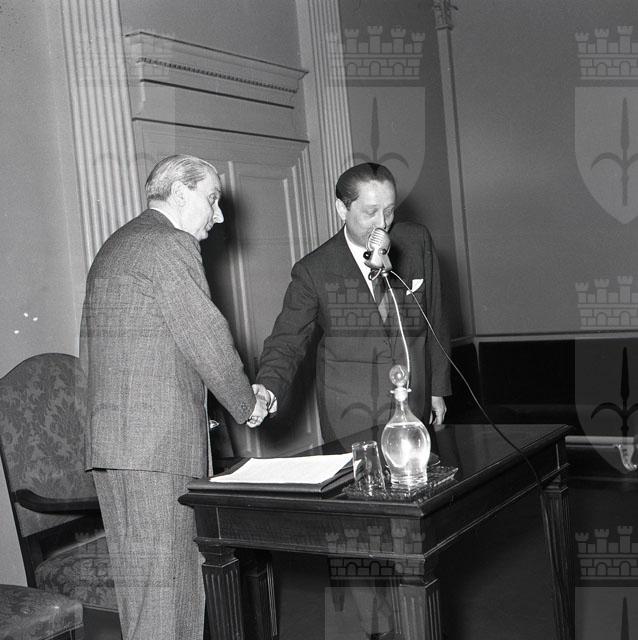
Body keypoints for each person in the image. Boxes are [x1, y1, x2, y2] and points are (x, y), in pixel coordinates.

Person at [80, 154, 268, 640]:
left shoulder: (119, 243)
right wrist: (246, 403)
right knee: (170, 603)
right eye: (212, 200)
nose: (218, 216)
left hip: (120, 451)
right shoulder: (170, 244)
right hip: (156, 452)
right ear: (180, 193)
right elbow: (204, 335)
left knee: (146, 603)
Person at [254, 162, 451, 443]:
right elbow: (288, 339)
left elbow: (436, 317)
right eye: (371, 212)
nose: (382, 223)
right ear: (342, 209)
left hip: (414, 405)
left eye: (389, 211)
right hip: (349, 418)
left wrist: (437, 390)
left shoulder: (416, 241)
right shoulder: (314, 270)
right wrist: (268, 387)